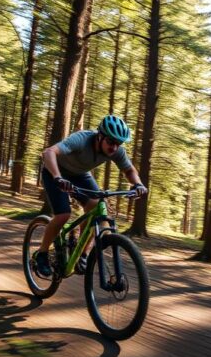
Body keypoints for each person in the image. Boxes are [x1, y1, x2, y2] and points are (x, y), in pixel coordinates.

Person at [34, 115, 147, 278]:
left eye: (118, 143)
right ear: (100, 135)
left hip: (80, 175)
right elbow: (49, 152)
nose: (114, 147)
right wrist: (58, 177)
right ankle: (42, 254)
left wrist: (138, 184)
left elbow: (129, 170)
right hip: (55, 170)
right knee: (63, 215)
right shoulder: (81, 139)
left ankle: (83, 253)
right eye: (111, 142)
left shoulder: (116, 151)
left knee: (98, 210)